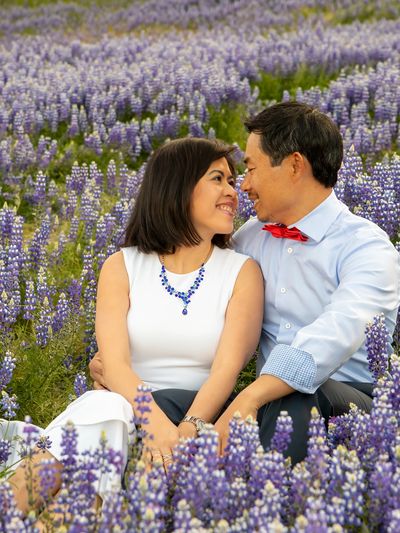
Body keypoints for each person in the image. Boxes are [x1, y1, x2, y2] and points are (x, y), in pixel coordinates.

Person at [3, 137, 264, 518]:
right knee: (106, 411)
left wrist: (184, 431)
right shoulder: (121, 266)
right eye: (217, 179)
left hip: (195, 414)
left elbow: (226, 370)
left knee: (102, 418)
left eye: (232, 180)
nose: (232, 191)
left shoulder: (242, 272)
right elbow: (115, 363)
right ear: (177, 186)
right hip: (123, 407)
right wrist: (153, 422)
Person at [211, 101, 400, 463]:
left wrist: (252, 395)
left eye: (251, 168)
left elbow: (337, 332)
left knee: (298, 395)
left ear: (295, 165)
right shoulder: (250, 238)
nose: (245, 185)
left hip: (356, 405)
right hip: (269, 404)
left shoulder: (367, 247)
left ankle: (279, 512)